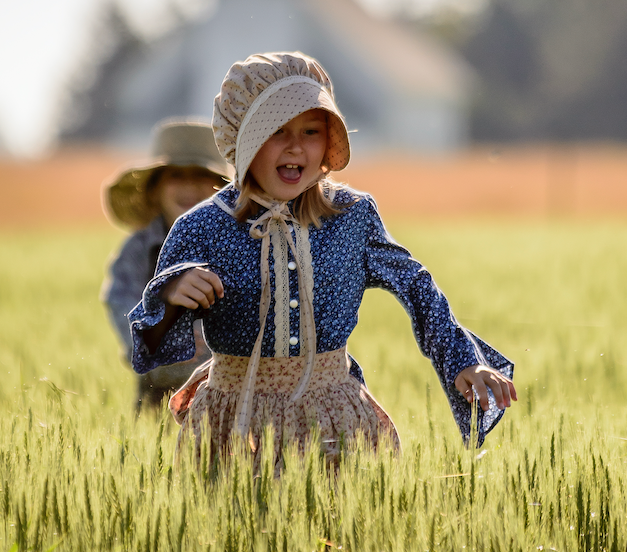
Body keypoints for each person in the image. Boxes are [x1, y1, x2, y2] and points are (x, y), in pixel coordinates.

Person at [129, 52, 516, 468]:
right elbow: (149, 347)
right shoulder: (201, 226)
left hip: (334, 419)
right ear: (243, 141)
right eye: (277, 130)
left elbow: (416, 284)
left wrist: (464, 360)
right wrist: (169, 294)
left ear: (329, 141)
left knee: (336, 529)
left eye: (311, 130)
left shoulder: (352, 216)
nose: (296, 145)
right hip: (234, 425)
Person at [101, 118, 229, 412]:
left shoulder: (238, 243)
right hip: (156, 395)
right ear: (155, 189)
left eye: (200, 176)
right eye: (176, 176)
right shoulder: (139, 250)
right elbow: (120, 301)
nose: (189, 187)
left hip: (226, 393)